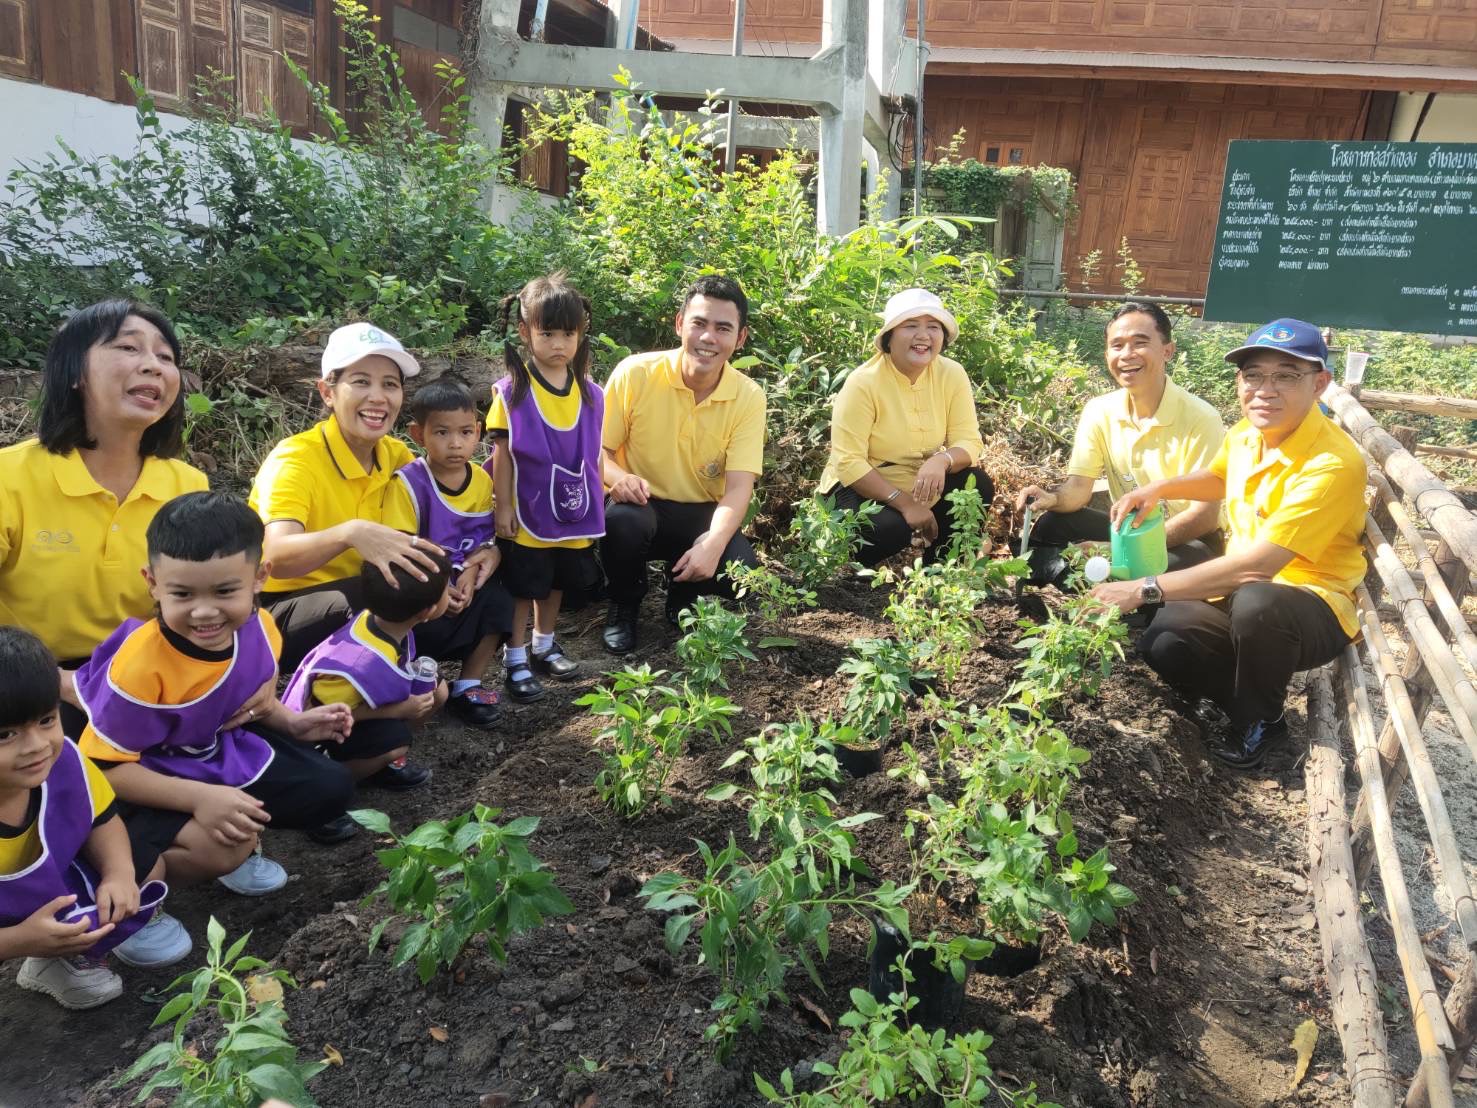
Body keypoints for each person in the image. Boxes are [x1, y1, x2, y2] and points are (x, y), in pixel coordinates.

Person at [1091, 319, 1366, 770]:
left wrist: (1142, 587)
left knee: (1257, 602)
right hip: (1243, 593)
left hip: (1311, 605)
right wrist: (1158, 488)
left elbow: (1257, 567)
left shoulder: (1332, 463)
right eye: (1253, 375)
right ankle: (1241, 702)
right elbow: (1219, 476)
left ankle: (1263, 723)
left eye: (1285, 376)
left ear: (1319, 383)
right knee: (1165, 637)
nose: (1265, 390)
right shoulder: (1247, 434)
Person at [76, 493, 358, 914]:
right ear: (152, 583)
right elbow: (104, 770)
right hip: (146, 775)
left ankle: (232, 834)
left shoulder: (261, 627)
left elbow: (245, 702)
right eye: (183, 594)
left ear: (259, 577)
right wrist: (198, 799)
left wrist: (291, 722)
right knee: (214, 845)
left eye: (225, 591)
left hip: (210, 752)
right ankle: (147, 893)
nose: (204, 612)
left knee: (330, 788)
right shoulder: (138, 669)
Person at [248, 323, 508, 735]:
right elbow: (274, 558)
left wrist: (486, 552)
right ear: (327, 392)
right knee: (371, 594)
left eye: (390, 384)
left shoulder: (394, 455)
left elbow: (451, 519)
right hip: (288, 611)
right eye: (361, 381)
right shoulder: (295, 461)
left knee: (479, 583)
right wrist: (350, 533)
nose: (377, 396)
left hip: (374, 599)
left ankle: (446, 688)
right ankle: (331, 707)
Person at [0, 300, 212, 737]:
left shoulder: (187, 484)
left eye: (165, 356)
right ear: (75, 373)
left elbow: (210, 601)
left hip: (142, 676)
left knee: (306, 774)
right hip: (24, 681)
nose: (153, 366)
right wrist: (65, 684)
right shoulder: (10, 476)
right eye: (128, 348)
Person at [0, 626, 170, 1009]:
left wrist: (119, 874)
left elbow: (102, 819)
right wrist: (18, 940)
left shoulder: (65, 761)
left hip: (46, 885)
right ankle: (42, 950)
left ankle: (61, 958)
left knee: (144, 866)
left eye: (46, 720)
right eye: (5, 735)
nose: (36, 746)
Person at [600, 275, 766, 654]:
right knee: (622, 522)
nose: (708, 338)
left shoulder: (748, 397)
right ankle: (624, 603)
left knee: (741, 573)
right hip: (641, 503)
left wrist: (714, 543)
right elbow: (597, 452)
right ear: (679, 324)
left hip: (700, 513)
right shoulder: (636, 373)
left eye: (723, 328)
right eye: (699, 323)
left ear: (740, 338)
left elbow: (739, 488)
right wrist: (619, 478)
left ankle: (684, 592)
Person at [1016, 301, 1225, 581]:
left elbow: (1204, 516)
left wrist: (1117, 550)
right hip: (1127, 527)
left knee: (1153, 569)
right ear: (1107, 355)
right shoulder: (1099, 410)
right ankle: (1072, 588)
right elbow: (1078, 488)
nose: (1127, 355)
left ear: (1167, 350)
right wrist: (1051, 498)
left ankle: (1107, 586)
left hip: (1188, 540)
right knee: (1054, 523)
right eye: (1117, 345)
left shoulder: (1201, 418)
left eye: (1140, 343)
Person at [488, 275, 605, 702]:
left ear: (581, 334)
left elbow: (596, 455)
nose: (559, 343)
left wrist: (598, 502)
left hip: (574, 510)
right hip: (528, 510)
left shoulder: (592, 394)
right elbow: (502, 454)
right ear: (525, 332)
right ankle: (515, 656)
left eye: (568, 334)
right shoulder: (512, 393)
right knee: (524, 586)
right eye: (548, 333)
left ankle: (544, 643)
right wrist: (503, 507)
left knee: (556, 582)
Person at [282, 552, 453, 841]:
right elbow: (317, 714)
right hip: (313, 737)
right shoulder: (358, 663)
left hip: (352, 715)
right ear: (427, 611)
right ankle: (318, 795)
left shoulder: (382, 622)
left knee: (438, 692)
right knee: (396, 740)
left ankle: (374, 766)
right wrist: (398, 710)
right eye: (448, 589)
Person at [817, 288, 995, 565]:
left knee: (976, 484)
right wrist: (907, 504)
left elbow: (969, 441)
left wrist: (942, 460)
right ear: (889, 337)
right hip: (859, 485)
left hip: (918, 479)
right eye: (911, 326)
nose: (923, 336)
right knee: (889, 529)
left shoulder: (952, 373)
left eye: (933, 327)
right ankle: (852, 572)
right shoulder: (863, 382)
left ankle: (942, 570)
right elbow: (849, 462)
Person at [389, 377, 509, 706]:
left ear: (479, 431)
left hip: (462, 586)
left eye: (465, 432)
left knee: (499, 600)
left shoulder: (481, 480)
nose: (455, 444)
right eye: (442, 433)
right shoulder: (407, 484)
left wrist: (470, 575)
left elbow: (481, 542)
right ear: (418, 434)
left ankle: (469, 683)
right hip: (424, 587)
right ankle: (412, 674)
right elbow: (402, 548)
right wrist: (440, 586)